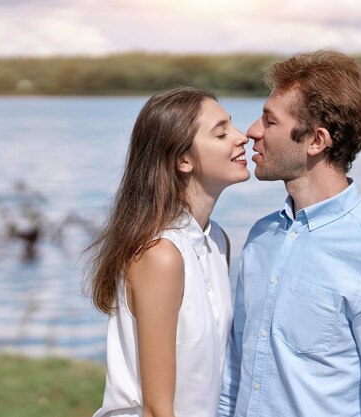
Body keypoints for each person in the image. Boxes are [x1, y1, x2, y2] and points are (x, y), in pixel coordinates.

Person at [219, 51, 361, 417]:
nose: (251, 132)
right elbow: (233, 377)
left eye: (270, 121)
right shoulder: (260, 237)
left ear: (316, 141)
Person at [87, 87, 250, 417]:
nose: (242, 137)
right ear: (183, 160)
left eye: (232, 126)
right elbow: (157, 409)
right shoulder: (161, 255)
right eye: (221, 133)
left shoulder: (216, 240)